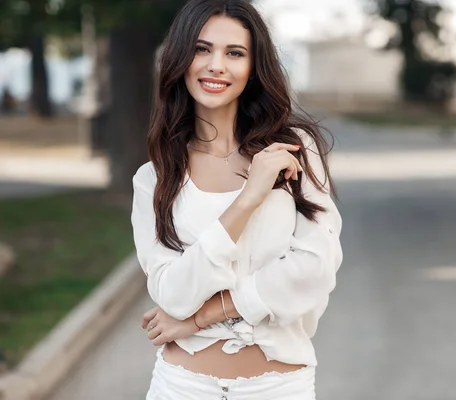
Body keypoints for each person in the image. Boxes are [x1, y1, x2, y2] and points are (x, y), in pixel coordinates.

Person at [130, 0, 343, 398]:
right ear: (181, 59)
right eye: (201, 49)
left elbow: (314, 270)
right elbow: (172, 294)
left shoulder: (295, 151)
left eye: (235, 53)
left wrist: (202, 317)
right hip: (181, 386)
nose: (216, 65)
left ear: (253, 67)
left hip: (279, 387)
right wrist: (247, 199)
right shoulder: (155, 178)